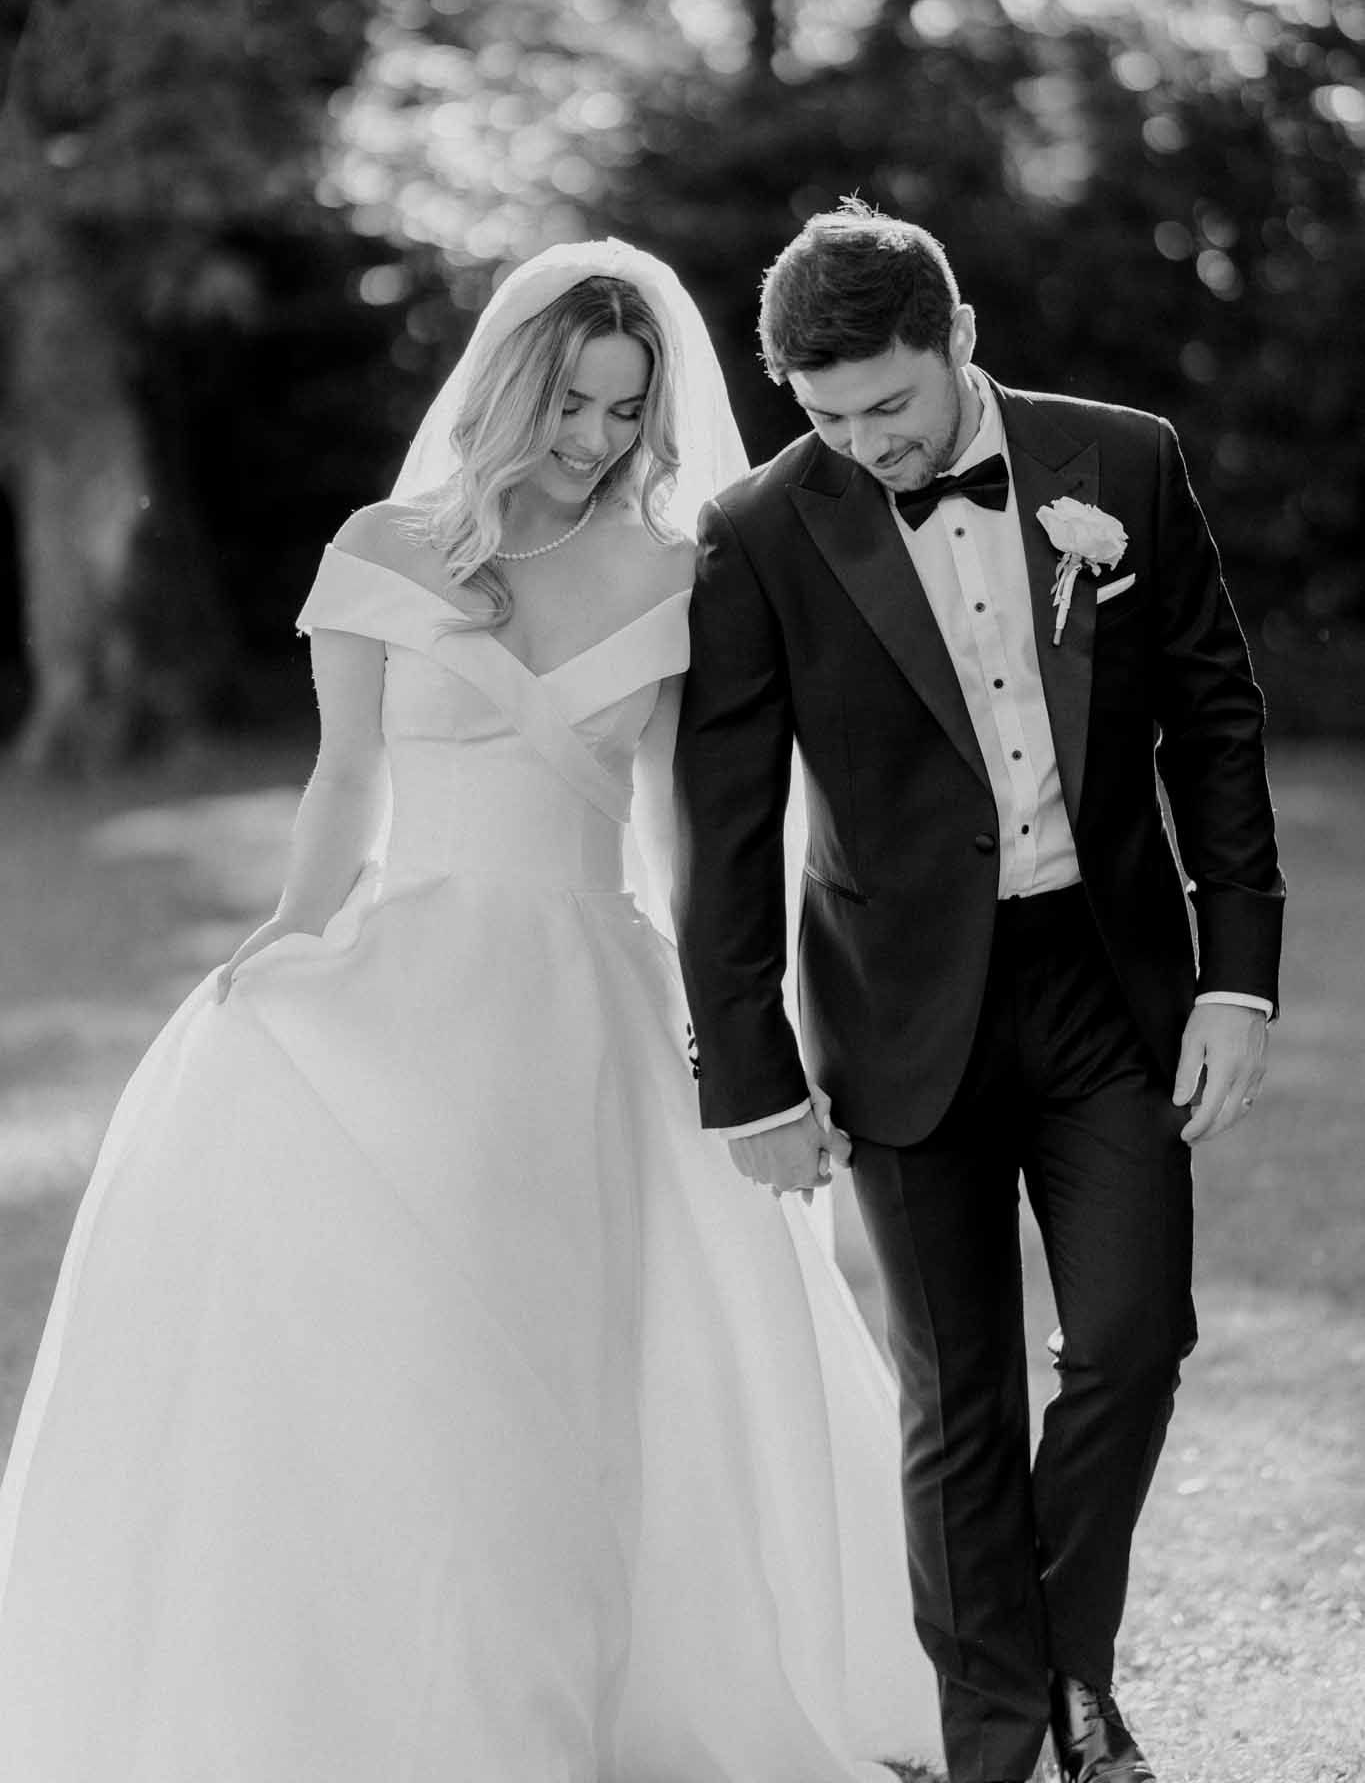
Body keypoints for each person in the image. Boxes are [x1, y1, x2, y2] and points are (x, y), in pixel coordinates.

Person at [0, 240, 943, 1781]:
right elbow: (346, 780)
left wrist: (737, 1023)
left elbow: (692, 827)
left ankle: (594, 1683)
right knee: (423, 1345)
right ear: (509, 386)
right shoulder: (381, 547)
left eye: (626, 414)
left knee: (599, 1351)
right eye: (571, 403)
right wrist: (293, 939)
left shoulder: (675, 563)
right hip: (415, 980)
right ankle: (421, 1687)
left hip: (591, 990)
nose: (593, 441)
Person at [673, 200, 1285, 1783]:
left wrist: (1240, 982)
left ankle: (1057, 1661)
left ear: (955, 347)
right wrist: (747, 1075)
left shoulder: (1121, 460)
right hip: (892, 1005)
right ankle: (1015, 1745)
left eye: (888, 403)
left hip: (1110, 987)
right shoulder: (756, 531)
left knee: (1136, 1341)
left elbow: (1214, 723)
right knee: (959, 1400)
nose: (864, 441)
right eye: (823, 416)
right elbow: (726, 830)